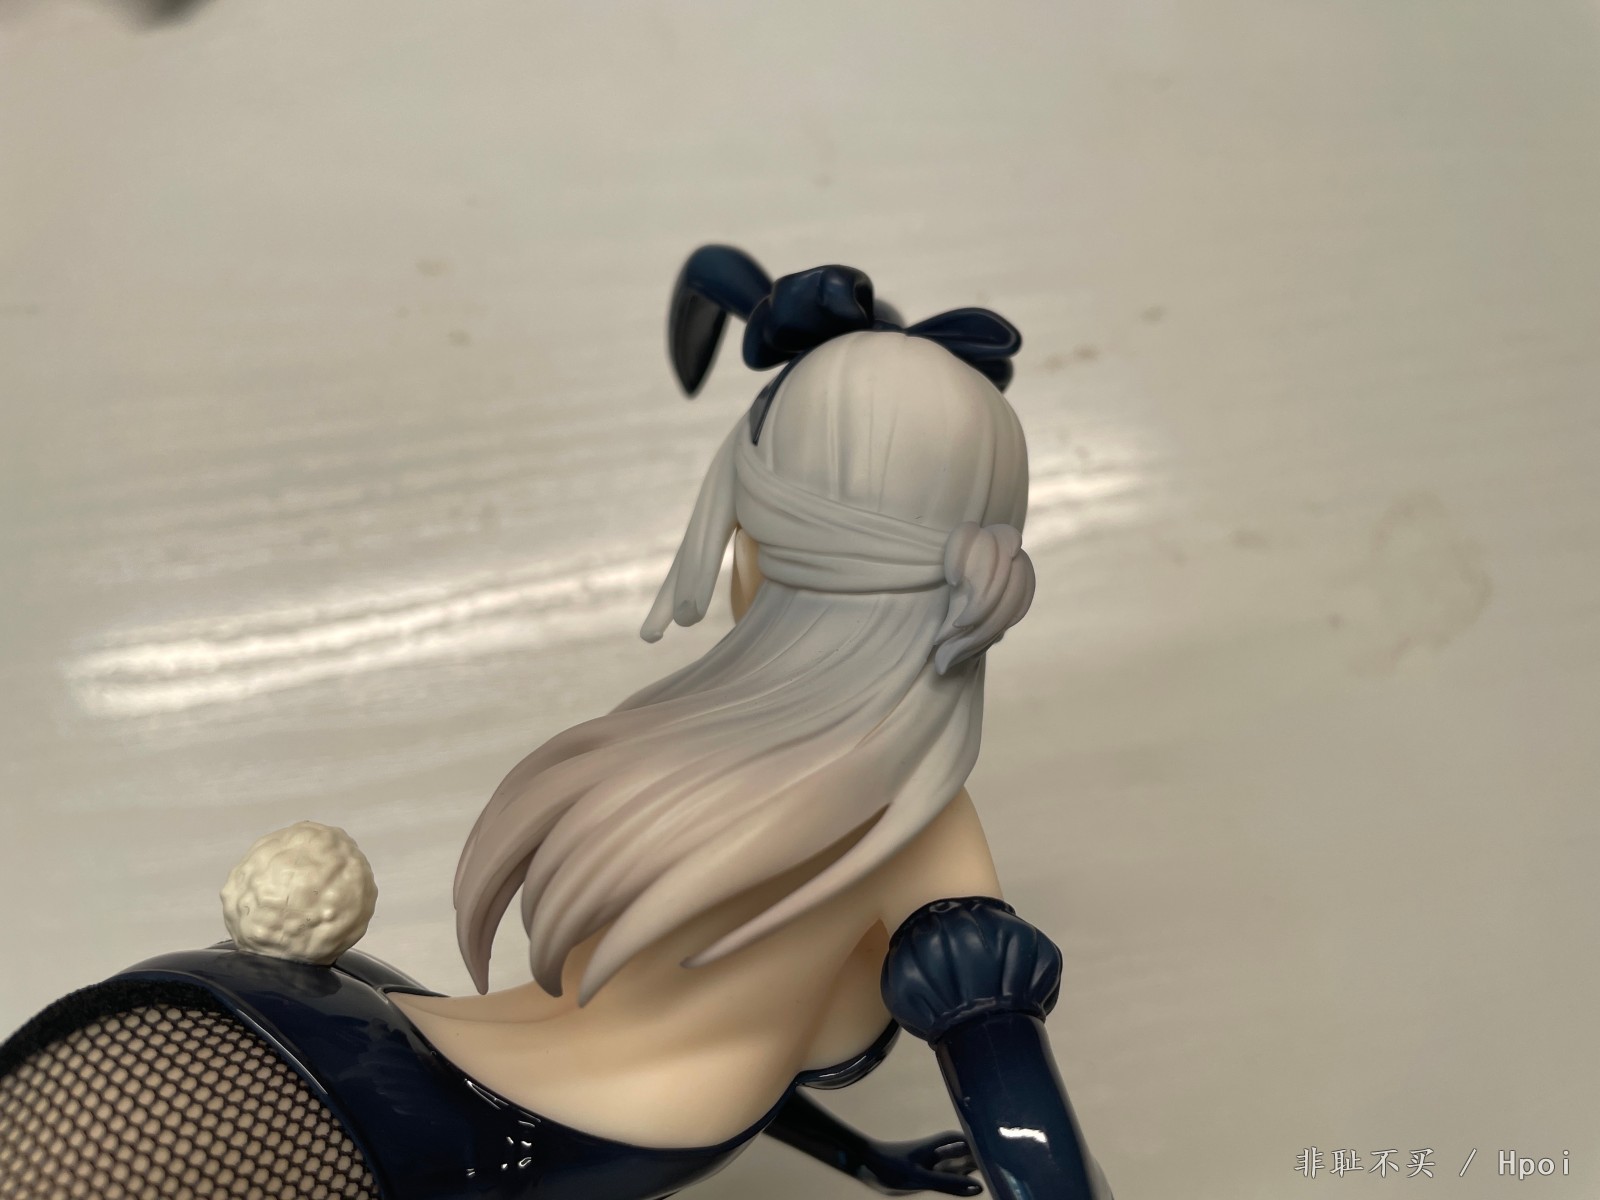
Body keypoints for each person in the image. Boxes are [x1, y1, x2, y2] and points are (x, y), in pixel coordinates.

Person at [0, 247, 1108, 1200]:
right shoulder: (905, 834)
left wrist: (871, 1159)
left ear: (759, 553)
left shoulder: (697, 760)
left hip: (324, 1024)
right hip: (445, 1144)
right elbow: (1009, 1150)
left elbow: (718, 1026)